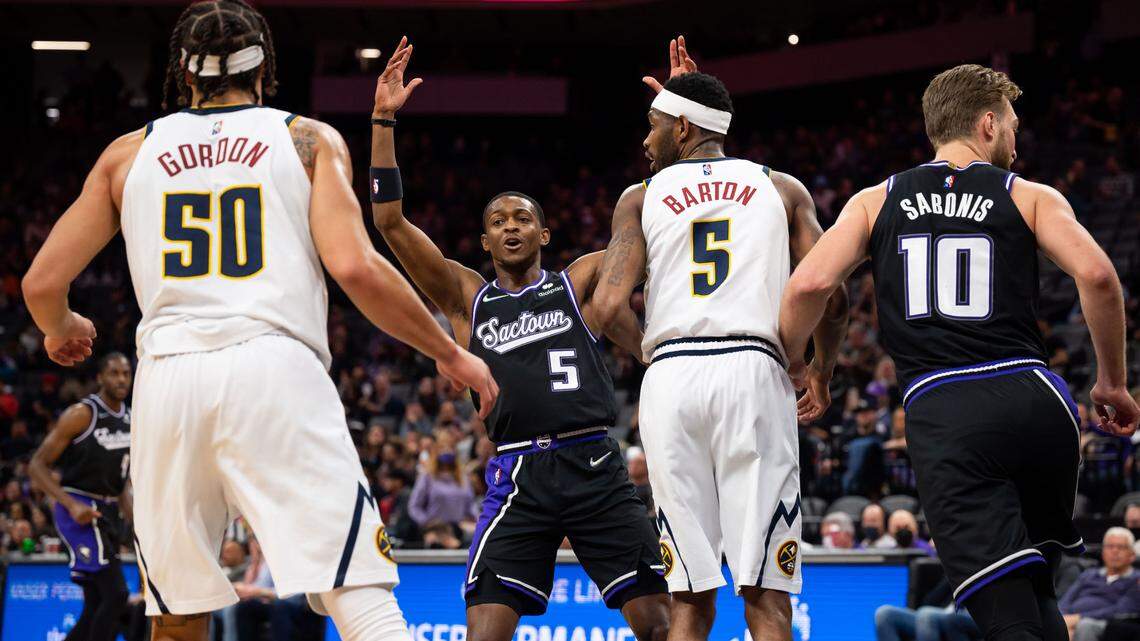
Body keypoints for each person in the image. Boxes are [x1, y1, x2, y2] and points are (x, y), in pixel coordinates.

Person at [19, 4, 498, 640]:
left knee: (176, 615)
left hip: (166, 383)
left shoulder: (127, 155)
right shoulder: (307, 140)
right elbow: (355, 268)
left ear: (181, 71)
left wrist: (61, 326)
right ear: (264, 66)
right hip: (274, 368)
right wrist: (448, 350)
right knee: (356, 589)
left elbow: (41, 284)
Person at [778, 63, 1140, 641]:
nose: (1016, 143)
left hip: (947, 407)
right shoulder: (1029, 196)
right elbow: (1098, 276)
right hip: (1037, 398)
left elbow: (808, 287)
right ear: (988, 124)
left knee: (1007, 616)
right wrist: (1112, 382)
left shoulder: (875, 201)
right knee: (1037, 594)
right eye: (1014, 126)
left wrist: (808, 368)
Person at [367, 38, 668, 641]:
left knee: (659, 626)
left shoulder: (580, 280)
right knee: (484, 633)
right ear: (484, 241)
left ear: (544, 233)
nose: (511, 227)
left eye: (523, 218)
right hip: (517, 472)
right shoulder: (467, 298)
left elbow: (653, 216)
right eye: (499, 221)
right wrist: (382, 121)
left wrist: (676, 123)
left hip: (593, 462)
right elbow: (389, 222)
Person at [591, 37, 849, 641]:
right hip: (753, 372)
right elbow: (832, 295)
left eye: (653, 125)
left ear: (682, 128)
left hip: (672, 376)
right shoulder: (781, 188)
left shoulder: (639, 196)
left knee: (688, 595)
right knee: (766, 593)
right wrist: (819, 369)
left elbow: (605, 307)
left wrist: (650, 350)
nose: (645, 140)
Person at [28, 352, 133, 641]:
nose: (121, 379)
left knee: (96, 604)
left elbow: (121, 482)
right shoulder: (82, 414)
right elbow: (36, 465)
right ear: (100, 378)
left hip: (108, 510)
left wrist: (135, 521)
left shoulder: (130, 419)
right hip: (79, 507)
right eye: (114, 373)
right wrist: (71, 505)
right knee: (117, 595)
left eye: (126, 373)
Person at [1058, 528, 1140, 641]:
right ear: (1103, 552)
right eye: (1110, 546)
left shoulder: (1136, 579)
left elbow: (1122, 610)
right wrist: (1062, 620)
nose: (1115, 551)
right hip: (1072, 621)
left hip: (1107, 624)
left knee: (1085, 626)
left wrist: (1078, 618)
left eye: (1121, 547)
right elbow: (1065, 601)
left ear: (1132, 555)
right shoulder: (1089, 574)